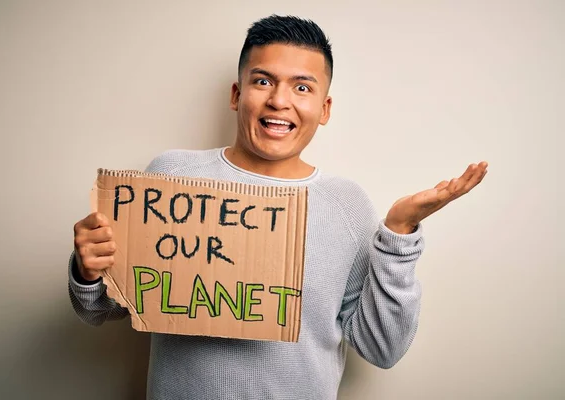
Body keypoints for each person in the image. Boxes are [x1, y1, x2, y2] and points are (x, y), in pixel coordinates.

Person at [69, 14, 488, 400]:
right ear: (237, 94)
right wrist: (88, 270)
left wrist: (399, 234)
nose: (279, 101)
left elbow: (382, 349)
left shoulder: (347, 205)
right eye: (263, 81)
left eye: (302, 87)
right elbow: (102, 310)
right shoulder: (170, 176)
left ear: (323, 109)